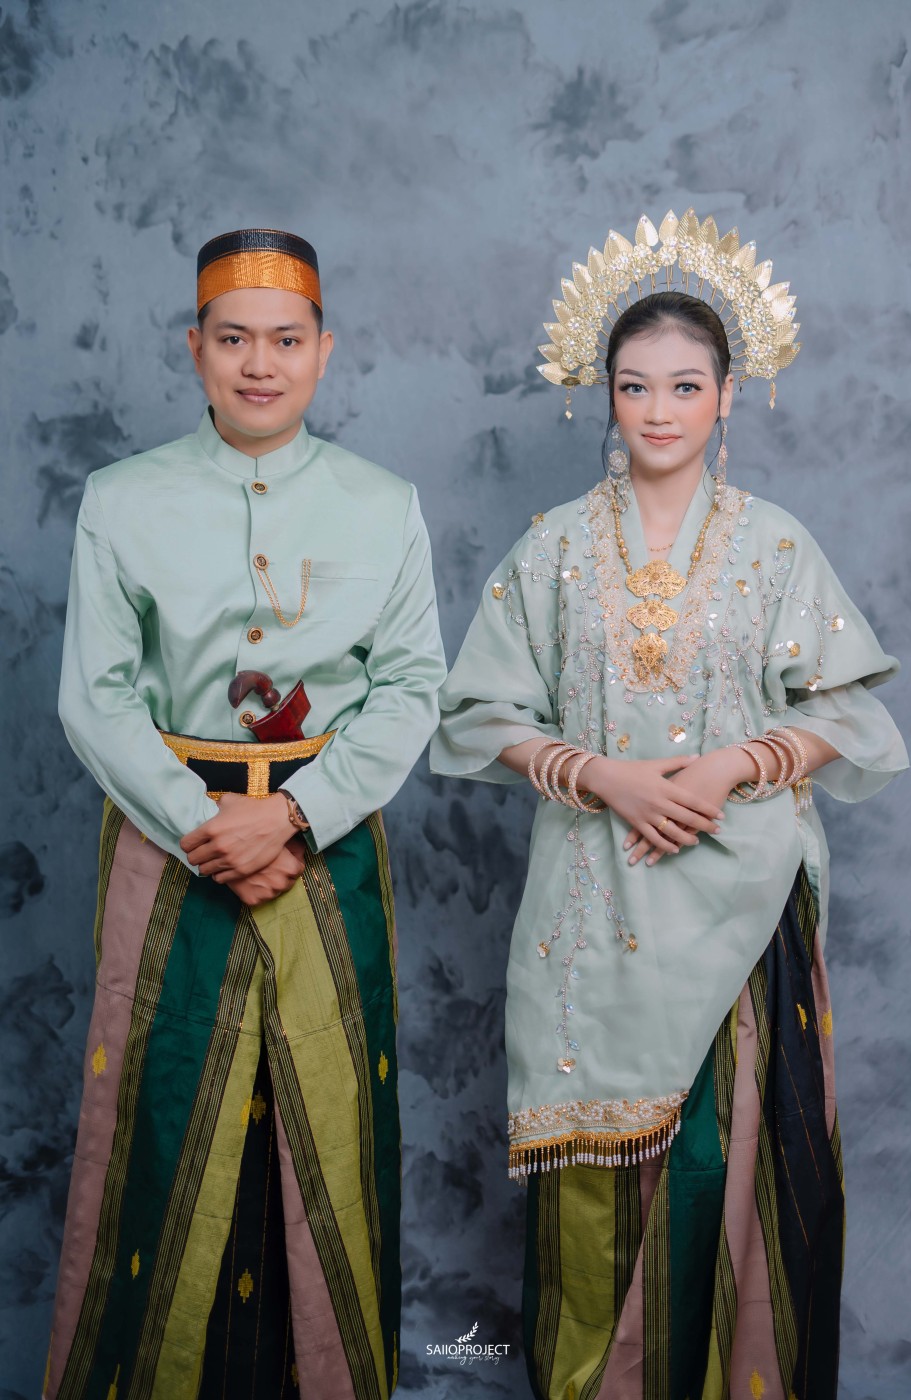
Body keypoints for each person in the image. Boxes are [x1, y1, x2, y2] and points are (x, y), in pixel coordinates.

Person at [430, 210, 907, 1399]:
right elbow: (476, 715)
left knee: (728, 1168)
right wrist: (606, 776)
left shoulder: (776, 547)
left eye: (686, 385)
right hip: (592, 903)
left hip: (744, 905)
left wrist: (734, 765)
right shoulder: (552, 551)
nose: (658, 410)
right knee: (599, 1190)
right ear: (603, 393)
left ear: (730, 395)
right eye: (634, 385)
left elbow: (853, 715)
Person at [47, 228, 446, 1400]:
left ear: (325, 350)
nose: (259, 364)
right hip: (168, 847)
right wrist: (202, 819)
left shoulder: (383, 504)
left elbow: (411, 685)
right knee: (163, 1110)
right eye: (233, 339)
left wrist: (297, 813)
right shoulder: (122, 500)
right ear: (195, 349)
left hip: (328, 851)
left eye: (284, 339)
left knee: (328, 1114)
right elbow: (96, 695)